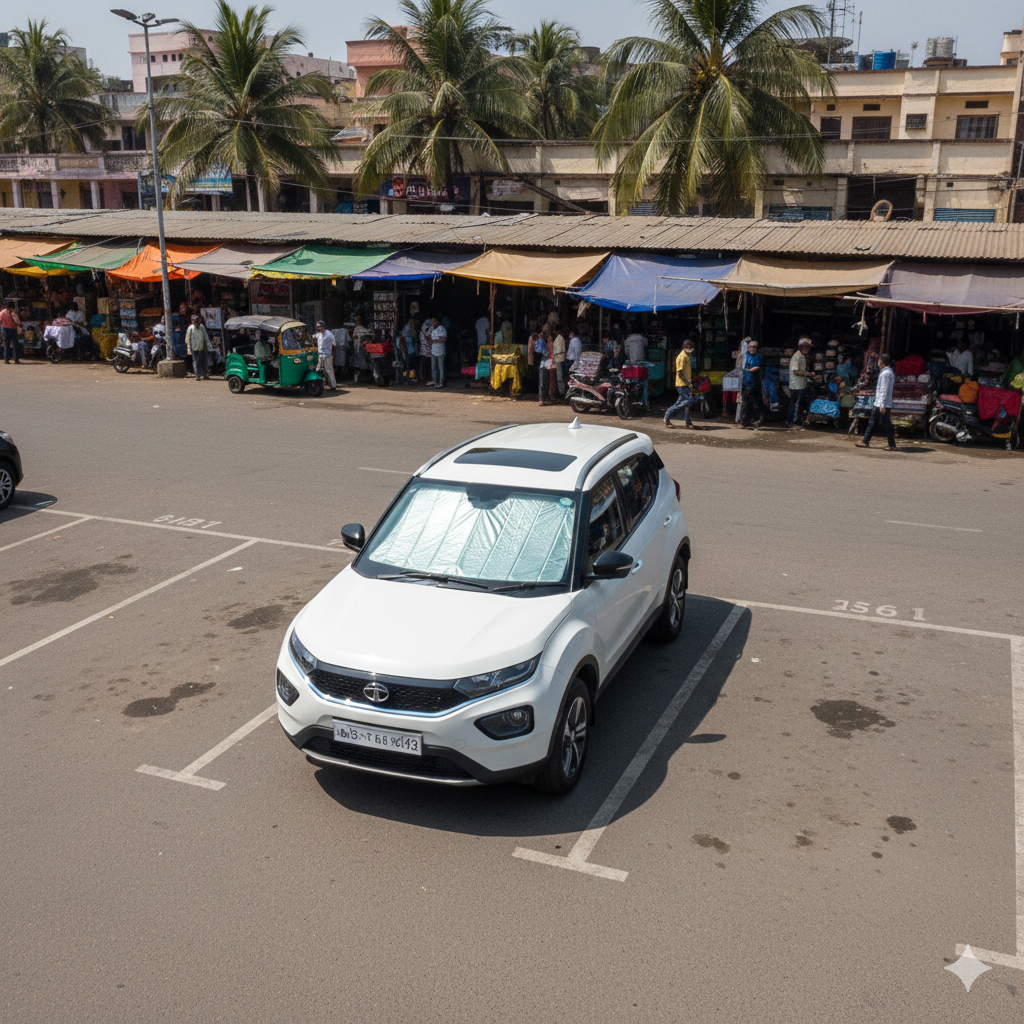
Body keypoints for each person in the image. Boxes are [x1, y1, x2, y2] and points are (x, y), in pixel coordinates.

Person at [856, 352, 897, 451]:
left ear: (882, 362)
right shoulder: (888, 372)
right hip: (882, 403)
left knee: (882, 423)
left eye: (879, 360)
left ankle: (889, 444)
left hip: (881, 403)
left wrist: (882, 405)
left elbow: (884, 389)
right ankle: (866, 441)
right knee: (876, 422)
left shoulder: (886, 373)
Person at [664, 338, 698, 429]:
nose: (689, 349)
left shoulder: (686, 356)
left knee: (685, 403)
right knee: (688, 401)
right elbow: (680, 373)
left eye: (691, 347)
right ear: (683, 347)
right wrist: (688, 384)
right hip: (682, 384)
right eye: (687, 347)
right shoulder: (682, 357)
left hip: (685, 383)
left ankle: (688, 421)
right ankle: (667, 414)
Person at [787, 338, 815, 429]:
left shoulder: (802, 356)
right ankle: (792, 422)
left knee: (798, 404)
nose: (805, 349)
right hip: (796, 385)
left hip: (801, 384)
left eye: (807, 347)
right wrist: (808, 374)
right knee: (795, 404)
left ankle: (794, 421)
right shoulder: (797, 356)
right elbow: (795, 371)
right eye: (803, 347)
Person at [740, 338, 765, 429]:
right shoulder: (745, 355)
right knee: (746, 402)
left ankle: (752, 420)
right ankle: (745, 421)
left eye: (754, 347)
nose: (752, 349)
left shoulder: (759, 356)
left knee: (755, 402)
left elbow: (757, 367)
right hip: (746, 382)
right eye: (750, 347)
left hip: (754, 383)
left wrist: (749, 370)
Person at [186, 314, 211, 380]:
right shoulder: (190, 328)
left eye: (198, 322)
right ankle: (197, 375)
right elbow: (187, 339)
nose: (197, 323)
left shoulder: (202, 326)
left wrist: (208, 345)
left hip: (202, 347)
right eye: (195, 322)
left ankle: (205, 374)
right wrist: (189, 348)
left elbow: (205, 336)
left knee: (204, 361)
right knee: (196, 361)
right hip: (194, 347)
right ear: (192, 322)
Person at [314, 320, 337, 390]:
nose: (318, 328)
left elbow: (334, 345)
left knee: (329, 370)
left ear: (323, 326)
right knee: (318, 369)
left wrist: (333, 355)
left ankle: (333, 386)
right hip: (320, 355)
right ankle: (318, 384)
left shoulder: (329, 335)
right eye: (317, 327)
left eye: (319, 327)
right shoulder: (318, 334)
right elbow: (312, 337)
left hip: (327, 355)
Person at [351, 315, 371, 384]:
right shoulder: (362, 329)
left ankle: (359, 377)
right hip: (360, 347)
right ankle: (358, 377)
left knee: (359, 362)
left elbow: (354, 337)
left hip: (361, 347)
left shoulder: (358, 329)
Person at [428, 316, 447, 388]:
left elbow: (444, 339)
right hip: (433, 351)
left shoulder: (442, 329)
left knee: (441, 367)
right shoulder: (433, 330)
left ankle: (441, 382)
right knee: (434, 368)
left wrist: (434, 341)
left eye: (434, 321)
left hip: (440, 351)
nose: (433, 323)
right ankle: (435, 382)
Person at [1, 300, 22, 364]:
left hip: (5, 329)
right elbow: (18, 322)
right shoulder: (13, 314)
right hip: (13, 329)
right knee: (15, 345)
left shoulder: (2, 312)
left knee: (6, 345)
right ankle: (16, 359)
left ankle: (6, 359)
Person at [551, 327, 567, 398]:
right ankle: (561, 391)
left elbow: (558, 350)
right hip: (558, 358)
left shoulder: (559, 338)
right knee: (560, 376)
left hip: (559, 358)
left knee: (560, 377)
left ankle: (562, 392)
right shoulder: (559, 338)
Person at [418, 315, 433, 385]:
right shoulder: (431, 326)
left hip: (423, 349)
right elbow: (429, 335)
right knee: (429, 365)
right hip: (429, 349)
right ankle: (429, 378)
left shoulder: (422, 329)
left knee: (423, 365)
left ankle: (423, 378)